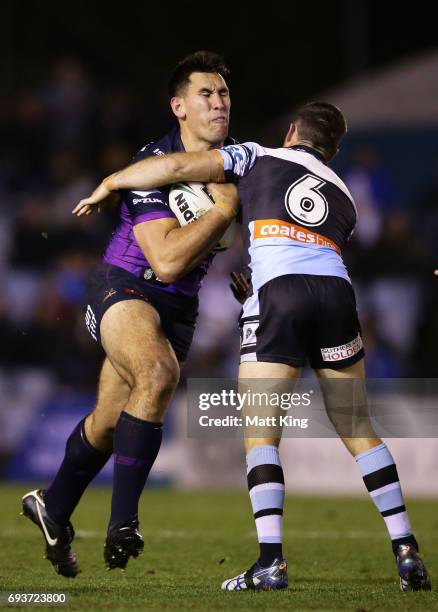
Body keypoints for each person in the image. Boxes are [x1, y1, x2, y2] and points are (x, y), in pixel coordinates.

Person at [76, 102, 431, 592]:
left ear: (291, 133)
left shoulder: (259, 155)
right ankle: (407, 550)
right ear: (333, 150)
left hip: (279, 296)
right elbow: (308, 245)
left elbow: (178, 166)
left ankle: (271, 562)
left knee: (261, 434)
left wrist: (113, 181)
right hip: (338, 296)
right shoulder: (346, 195)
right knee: (356, 423)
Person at [21, 50, 239, 578]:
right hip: (122, 286)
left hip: (180, 309)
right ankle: (124, 524)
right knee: (158, 373)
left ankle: (52, 503)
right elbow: (164, 261)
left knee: (107, 423)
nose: (218, 103)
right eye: (205, 94)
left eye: (224, 94)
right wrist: (224, 211)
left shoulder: (236, 159)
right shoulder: (150, 166)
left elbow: (230, 239)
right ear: (178, 106)